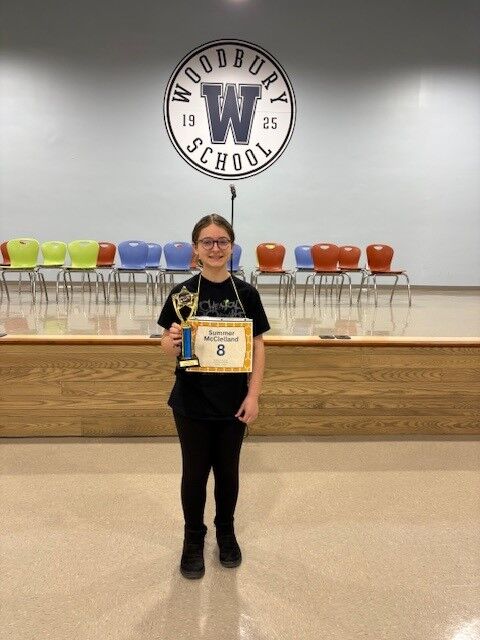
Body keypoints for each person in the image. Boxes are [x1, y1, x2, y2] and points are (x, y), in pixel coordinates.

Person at [158, 214, 270, 579]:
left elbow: (257, 345)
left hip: (232, 401)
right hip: (191, 400)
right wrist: (169, 344)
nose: (215, 248)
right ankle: (193, 539)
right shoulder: (182, 294)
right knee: (194, 474)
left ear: (232, 246)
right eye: (207, 241)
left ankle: (226, 531)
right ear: (196, 249)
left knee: (227, 472)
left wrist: (253, 395)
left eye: (222, 241)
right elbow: (165, 341)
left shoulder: (247, 293)